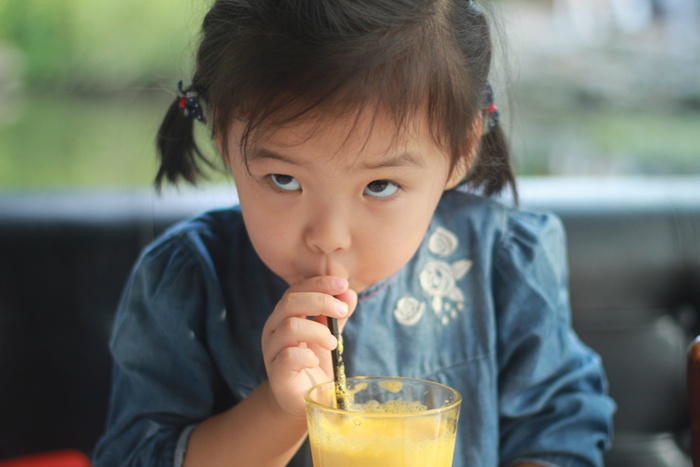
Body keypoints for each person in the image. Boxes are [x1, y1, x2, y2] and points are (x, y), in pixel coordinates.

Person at [93, 0, 615, 465]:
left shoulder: (503, 262)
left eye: (381, 185)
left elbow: (561, 431)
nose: (329, 236)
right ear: (226, 142)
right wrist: (280, 413)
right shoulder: (187, 281)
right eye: (284, 179)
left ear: (460, 149)